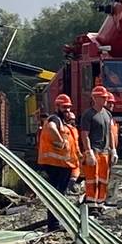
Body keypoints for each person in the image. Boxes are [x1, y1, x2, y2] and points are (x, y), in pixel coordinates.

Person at [35, 94, 82, 226]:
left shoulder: (65, 124)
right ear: (57, 107)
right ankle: (54, 224)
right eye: (64, 107)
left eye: (68, 107)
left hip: (63, 165)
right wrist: (60, 140)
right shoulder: (55, 119)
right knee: (56, 195)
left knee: (59, 194)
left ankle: (56, 222)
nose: (67, 110)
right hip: (55, 165)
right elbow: (51, 127)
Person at [79, 98, 117, 208]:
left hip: (104, 152)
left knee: (103, 179)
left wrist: (113, 150)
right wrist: (88, 151)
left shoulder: (107, 114)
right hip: (94, 151)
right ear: (96, 98)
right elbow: (84, 134)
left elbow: (110, 133)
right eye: (103, 98)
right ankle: (91, 204)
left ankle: (100, 202)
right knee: (92, 179)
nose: (106, 100)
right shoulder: (88, 114)